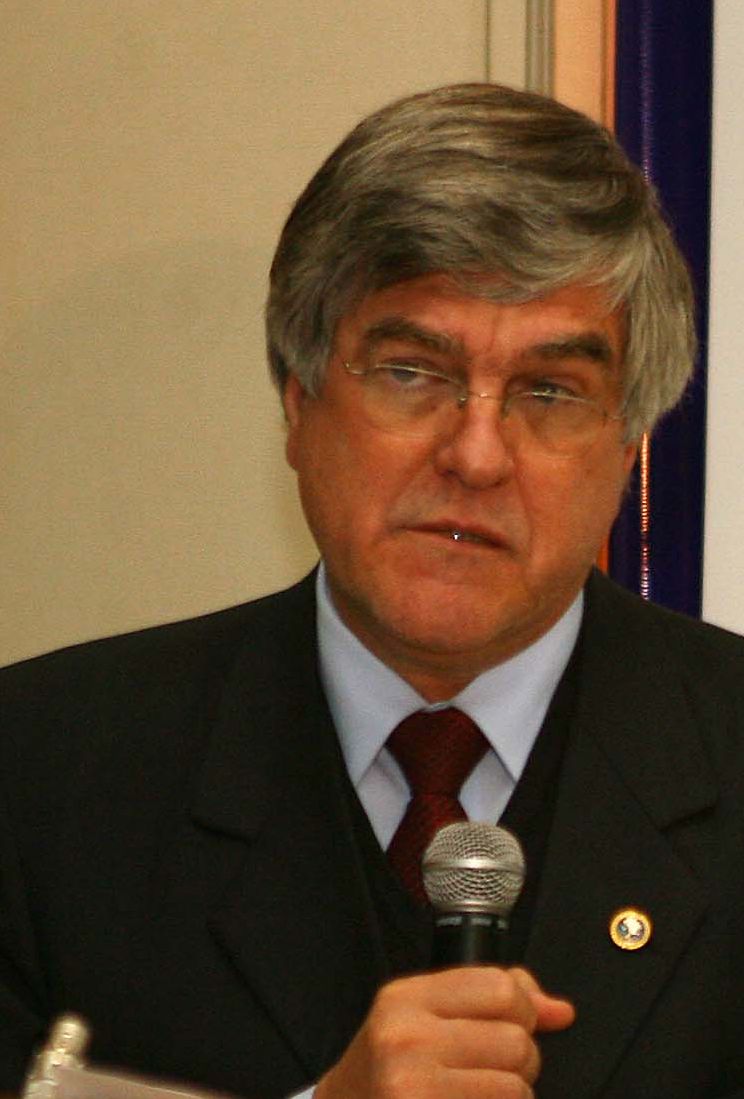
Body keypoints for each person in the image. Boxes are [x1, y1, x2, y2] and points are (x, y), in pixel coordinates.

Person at [2, 82, 744, 1099]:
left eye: (550, 390)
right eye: (411, 371)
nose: (477, 455)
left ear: (627, 451)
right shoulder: (39, 778)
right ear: (298, 398)